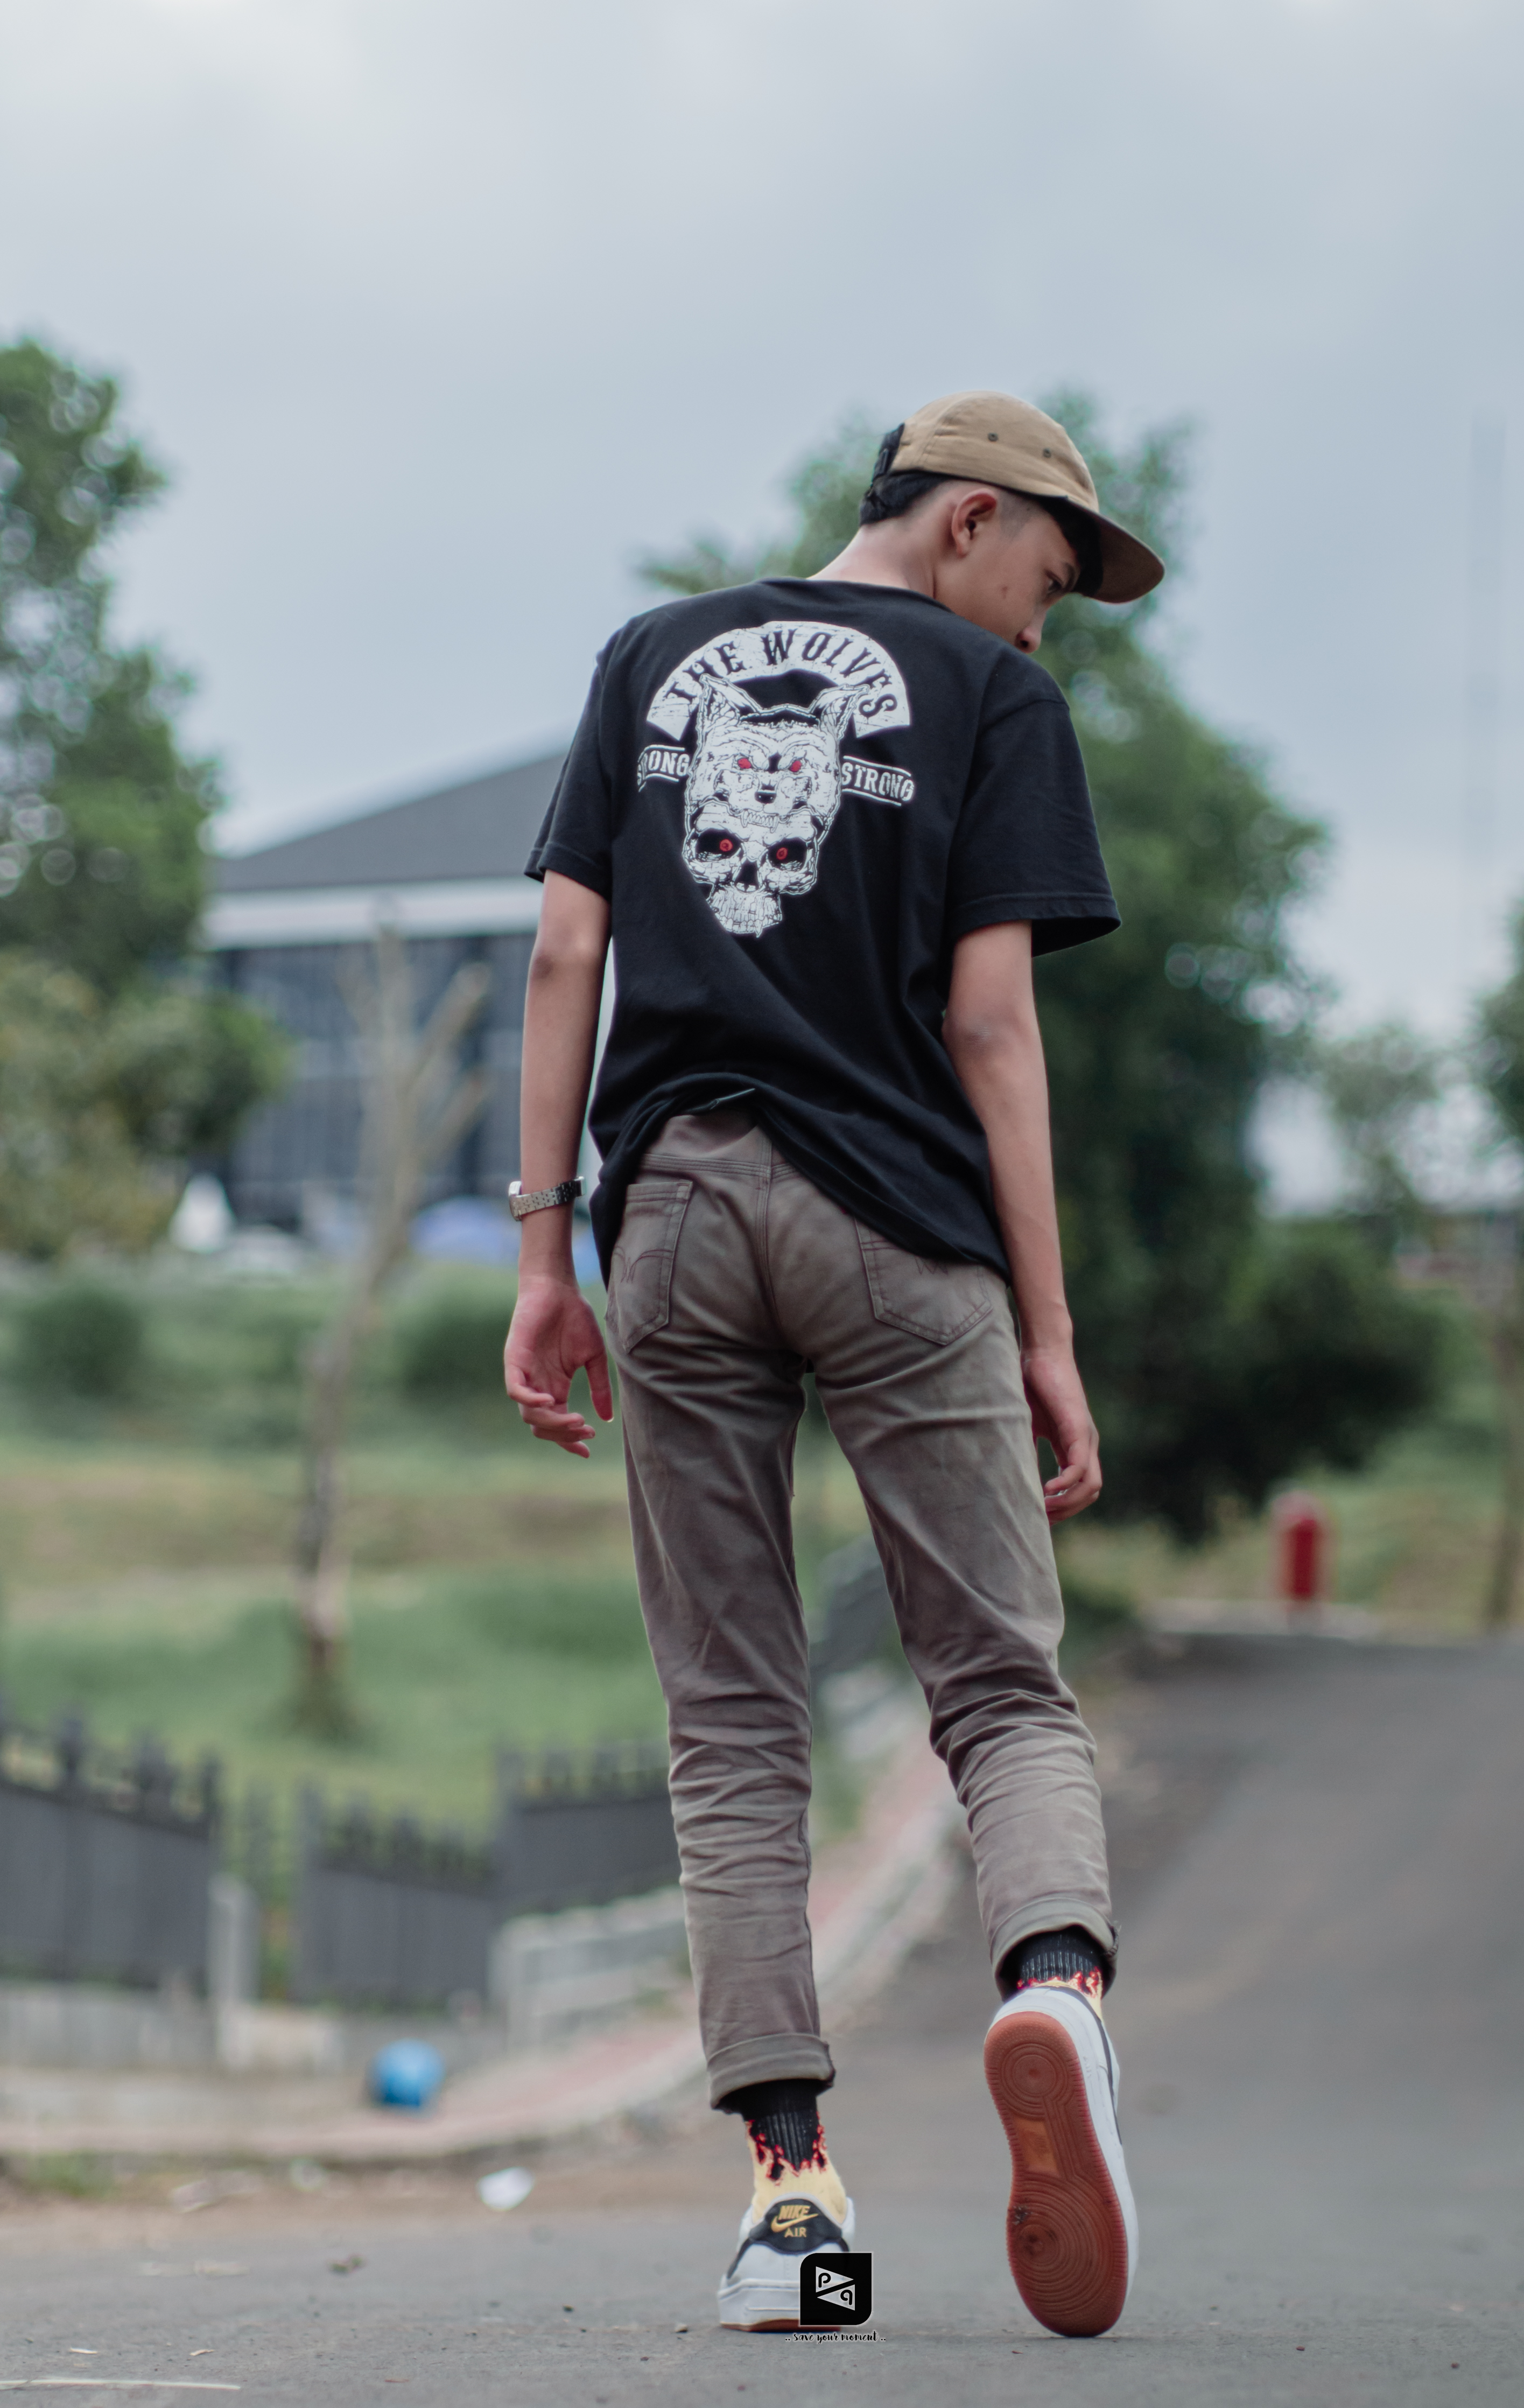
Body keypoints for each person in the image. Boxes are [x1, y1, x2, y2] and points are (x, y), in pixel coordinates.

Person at [504, 390, 1163, 2339]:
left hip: (677, 1215)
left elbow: (561, 960)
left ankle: (795, 2207)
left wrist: (543, 1254)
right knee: (1002, 1685)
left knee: (730, 1715)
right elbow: (992, 1028)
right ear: (968, 520)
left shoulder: (650, 654)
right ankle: (1055, 1987)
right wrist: (1048, 1332)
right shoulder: (992, 698)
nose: (1047, 619)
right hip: (897, 1227)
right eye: (1050, 573)